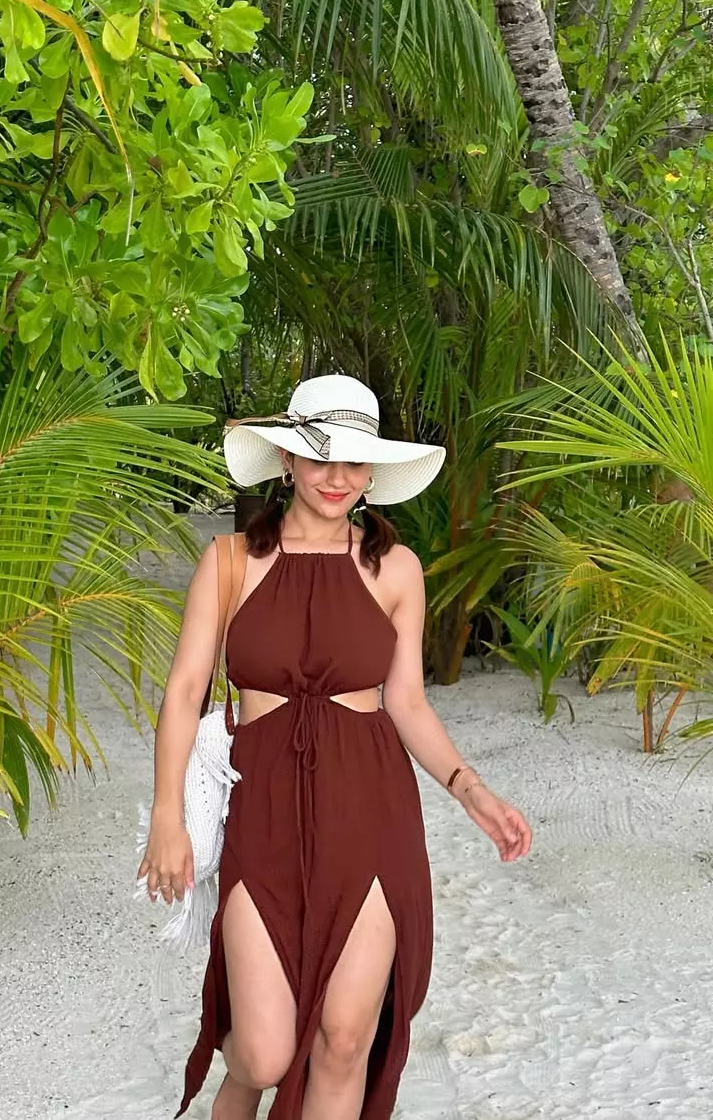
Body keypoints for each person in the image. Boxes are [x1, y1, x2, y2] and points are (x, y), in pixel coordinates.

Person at [138, 374, 532, 1120]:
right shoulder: (229, 562)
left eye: (355, 461)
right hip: (264, 812)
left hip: (370, 811)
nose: (337, 477)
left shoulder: (396, 569)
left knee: (345, 1038)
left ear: (373, 472)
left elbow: (406, 702)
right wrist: (167, 816)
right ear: (288, 460)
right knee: (263, 1052)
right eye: (321, 457)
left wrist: (472, 791)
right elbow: (185, 691)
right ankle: (239, 1088)